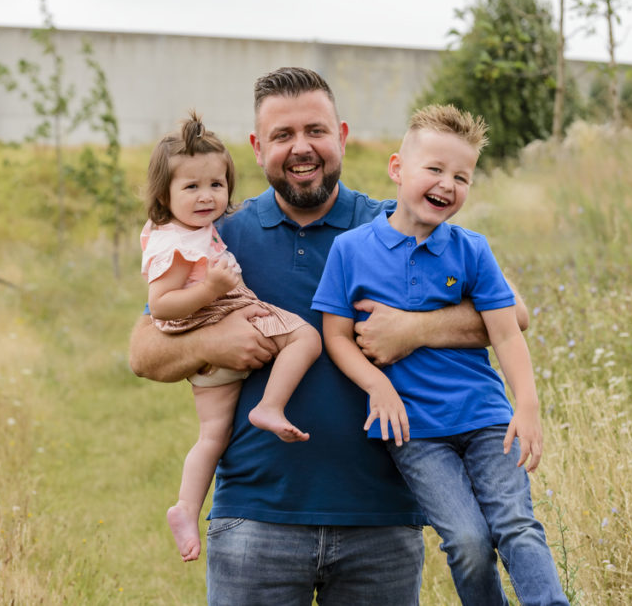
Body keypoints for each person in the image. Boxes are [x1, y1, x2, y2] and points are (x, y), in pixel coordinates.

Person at [129, 67, 528, 605]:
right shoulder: (220, 234)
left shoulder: (391, 223)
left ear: (340, 135)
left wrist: (414, 327)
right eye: (282, 136)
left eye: (315, 131)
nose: (301, 149)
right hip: (255, 518)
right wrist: (211, 342)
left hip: (381, 521)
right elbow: (143, 350)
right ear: (256, 147)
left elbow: (514, 313)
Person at [312, 104, 567, 606]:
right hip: (416, 432)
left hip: (488, 419)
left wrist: (528, 405)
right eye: (435, 169)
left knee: (516, 524)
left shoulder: (472, 250)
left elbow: (508, 332)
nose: (447, 184)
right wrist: (377, 385)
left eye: (462, 176)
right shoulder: (351, 250)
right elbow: (336, 336)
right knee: (469, 542)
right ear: (397, 169)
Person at [141, 112, 321, 562]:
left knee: (212, 436)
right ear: (164, 194)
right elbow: (161, 305)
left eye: (216, 185)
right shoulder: (179, 244)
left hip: (212, 344)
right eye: (191, 187)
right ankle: (269, 406)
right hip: (220, 314)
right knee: (306, 338)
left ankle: (186, 507)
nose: (206, 197)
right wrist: (212, 291)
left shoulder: (194, 231)